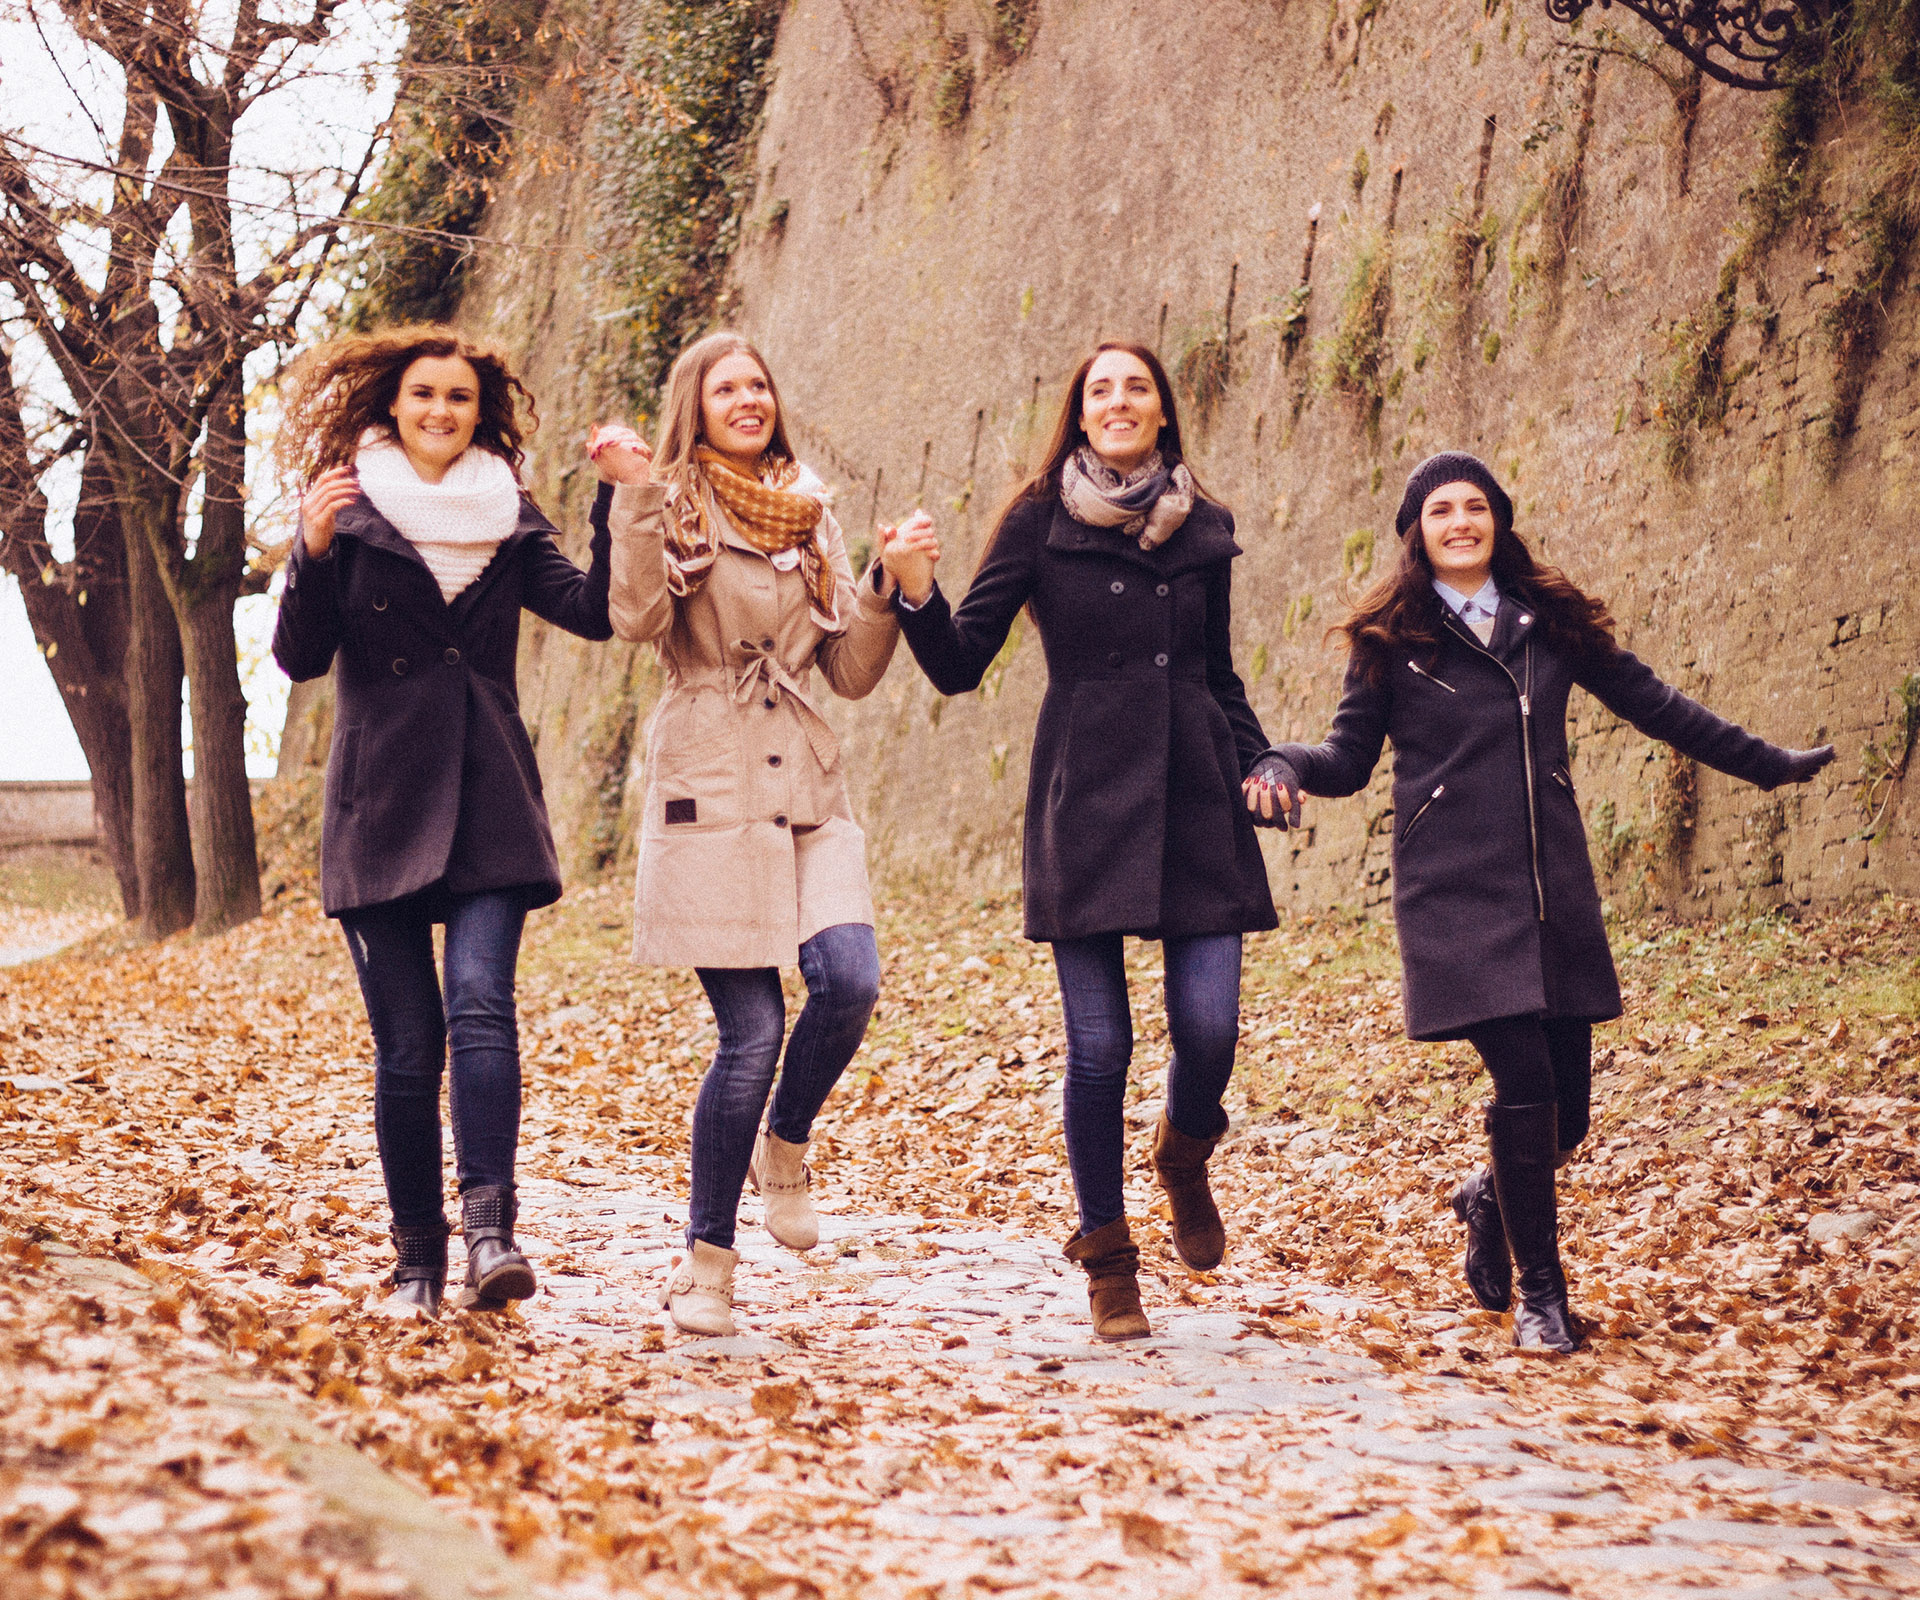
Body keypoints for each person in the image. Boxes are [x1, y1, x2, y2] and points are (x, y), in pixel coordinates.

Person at [1257, 451, 1835, 1352]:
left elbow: (1657, 706)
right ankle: (1542, 1296)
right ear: (1417, 531)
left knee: (1568, 1111)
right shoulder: (1390, 644)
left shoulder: (1549, 625)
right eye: (1441, 509)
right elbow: (1345, 759)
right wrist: (1284, 761)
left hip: (1551, 891)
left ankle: (1490, 1196)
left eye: (1475, 507)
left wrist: (1767, 765)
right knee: (1523, 1083)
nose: (1460, 521)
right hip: (1453, 895)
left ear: (1499, 520)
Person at [880, 342, 1292, 1340]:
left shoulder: (1207, 525)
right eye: (1100, 388)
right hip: (1088, 803)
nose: (1118, 401)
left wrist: (1264, 759)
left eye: (1135, 388)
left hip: (1197, 794)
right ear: (1079, 411)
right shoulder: (1038, 521)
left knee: (1211, 1028)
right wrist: (914, 589)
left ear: (1162, 413)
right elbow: (960, 664)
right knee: (1100, 1046)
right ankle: (1108, 1257)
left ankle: (1184, 1152)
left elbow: (1219, 675)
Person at [272, 326, 617, 1318]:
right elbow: (300, 658)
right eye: (423, 395)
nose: (439, 411)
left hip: (489, 796)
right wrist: (311, 548)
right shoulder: (349, 503)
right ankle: (418, 1257)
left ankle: (492, 1236)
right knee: (409, 1046)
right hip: (379, 801)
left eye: (458, 399)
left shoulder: (509, 509)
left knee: (480, 1003)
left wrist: (615, 501)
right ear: (394, 406)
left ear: (479, 413)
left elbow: (592, 610)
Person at [592, 331, 908, 1337]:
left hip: (807, 783)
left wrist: (889, 584)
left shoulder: (811, 513)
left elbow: (850, 672)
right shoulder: (672, 498)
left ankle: (788, 1141)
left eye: (759, 385)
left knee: (850, 980)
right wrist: (634, 493)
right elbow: (637, 616)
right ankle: (708, 1265)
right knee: (752, 1033)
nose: (748, 399)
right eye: (727, 387)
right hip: (710, 786)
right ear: (697, 402)